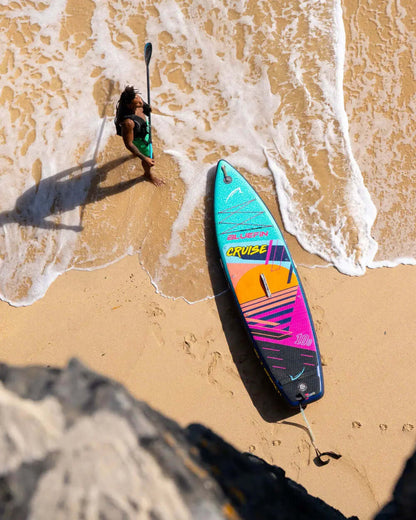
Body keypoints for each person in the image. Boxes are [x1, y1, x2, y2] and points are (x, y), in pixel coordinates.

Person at [115, 86, 164, 186]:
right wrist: (144, 158)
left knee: (143, 154)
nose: (140, 102)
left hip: (141, 129)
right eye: (136, 102)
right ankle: (147, 174)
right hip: (138, 138)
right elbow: (129, 144)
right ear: (129, 106)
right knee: (150, 157)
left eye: (138, 97)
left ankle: (136, 154)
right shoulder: (128, 123)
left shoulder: (135, 99)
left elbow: (146, 109)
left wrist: (147, 108)